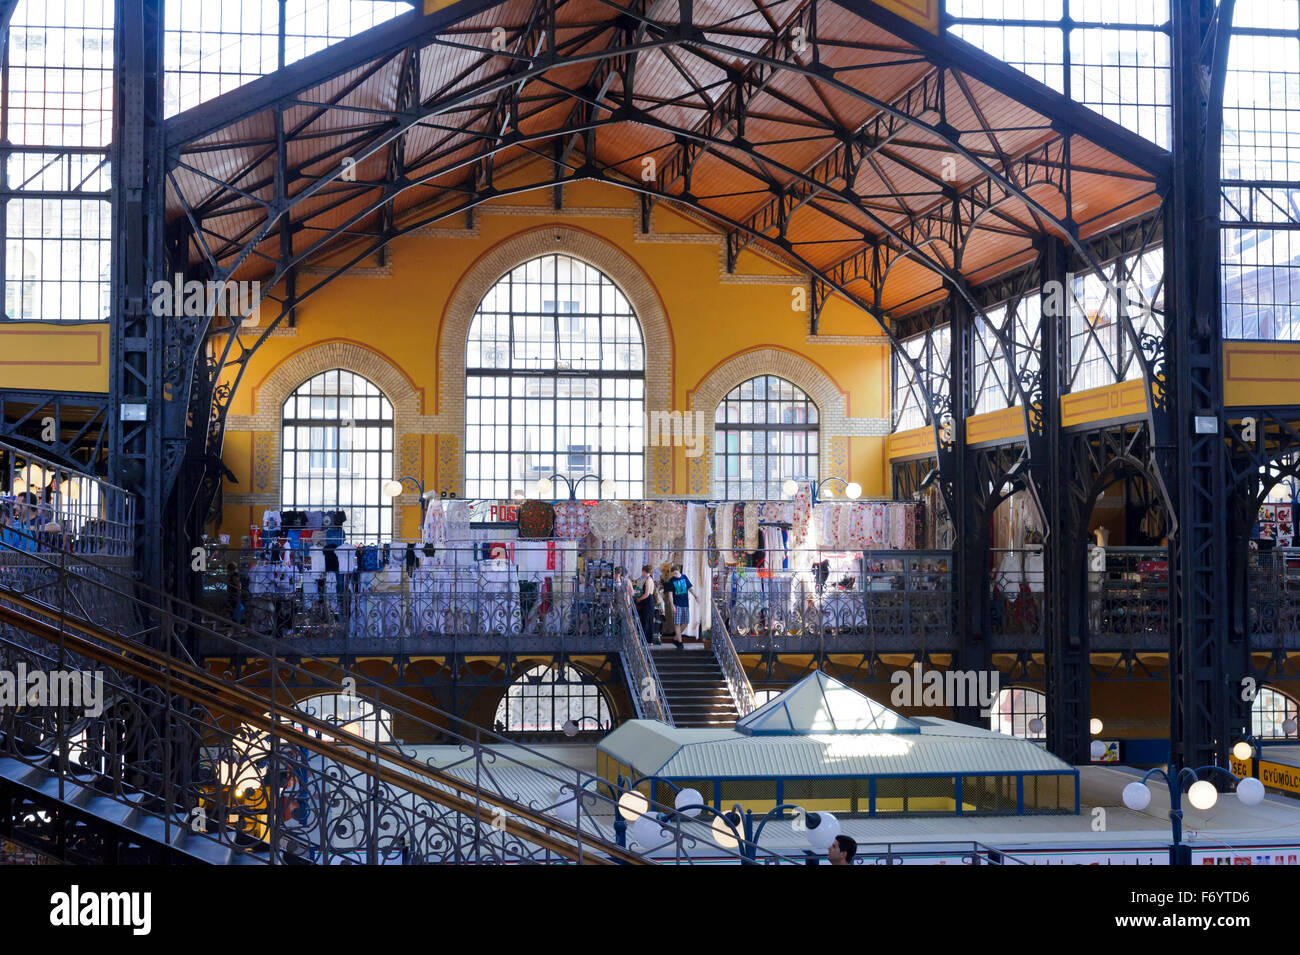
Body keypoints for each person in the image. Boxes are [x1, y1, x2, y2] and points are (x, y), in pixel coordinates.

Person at [667, 564, 697, 649]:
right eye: (673, 574)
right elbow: (670, 594)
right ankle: (680, 643)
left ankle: (676, 638)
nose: (675, 575)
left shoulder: (684, 577)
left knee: (686, 623)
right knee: (677, 624)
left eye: (676, 573)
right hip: (676, 604)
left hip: (685, 604)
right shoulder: (671, 581)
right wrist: (672, 605)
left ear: (679, 571)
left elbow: (690, 588)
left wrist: (696, 596)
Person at [634, 564, 658, 645]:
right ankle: (648, 640)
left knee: (646, 621)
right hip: (649, 601)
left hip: (648, 602)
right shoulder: (649, 579)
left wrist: (638, 599)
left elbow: (647, 594)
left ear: (644, 571)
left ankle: (647, 640)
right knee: (648, 621)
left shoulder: (648, 580)